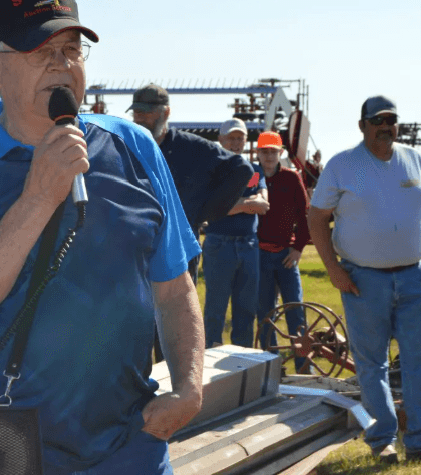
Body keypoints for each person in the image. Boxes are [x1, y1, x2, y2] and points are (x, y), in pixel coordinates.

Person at [0, 0, 204, 475]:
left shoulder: (133, 146)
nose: (62, 65)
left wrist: (189, 388)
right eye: (39, 50)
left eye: (71, 49)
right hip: (2, 444)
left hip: (130, 441)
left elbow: (174, 288)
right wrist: (39, 196)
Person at [307, 96, 421, 464]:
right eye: (377, 120)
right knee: (371, 362)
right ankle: (382, 441)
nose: (385, 126)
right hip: (363, 279)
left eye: (391, 120)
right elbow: (317, 217)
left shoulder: (415, 160)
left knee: (419, 358)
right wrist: (333, 268)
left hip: (412, 277)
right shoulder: (342, 165)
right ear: (362, 125)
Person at [128, 84, 254, 281]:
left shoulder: (192, 148)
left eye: (147, 112)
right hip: (137, 249)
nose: (140, 119)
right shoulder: (128, 147)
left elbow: (241, 169)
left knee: (178, 309)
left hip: (179, 251)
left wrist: (203, 213)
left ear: (166, 113)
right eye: (137, 112)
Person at [202, 118, 268, 348]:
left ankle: (242, 362)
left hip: (248, 245)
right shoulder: (213, 169)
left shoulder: (255, 170)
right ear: (221, 140)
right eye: (231, 138)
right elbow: (211, 208)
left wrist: (231, 205)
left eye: (240, 138)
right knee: (215, 310)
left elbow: (264, 204)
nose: (236, 142)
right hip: (219, 244)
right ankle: (210, 359)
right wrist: (247, 204)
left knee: (246, 310)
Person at [255, 132, 311, 371]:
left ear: (281, 154)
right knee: (265, 314)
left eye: (273, 152)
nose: (269, 156)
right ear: (257, 153)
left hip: (286, 257)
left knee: (294, 310)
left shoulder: (291, 178)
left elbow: (305, 215)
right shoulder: (251, 177)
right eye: (264, 152)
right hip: (259, 255)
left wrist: (298, 248)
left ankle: (303, 367)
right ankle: (272, 368)